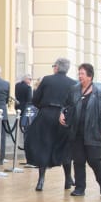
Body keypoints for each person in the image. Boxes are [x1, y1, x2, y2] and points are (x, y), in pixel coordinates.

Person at [24, 57, 76, 191]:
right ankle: (68, 179)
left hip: (46, 115)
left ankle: (41, 180)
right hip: (63, 117)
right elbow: (74, 104)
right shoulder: (73, 83)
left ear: (56, 67)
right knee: (64, 147)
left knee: (43, 146)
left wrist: (44, 107)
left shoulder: (47, 79)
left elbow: (35, 99)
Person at [60, 63, 101, 196]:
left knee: (94, 160)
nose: (79, 76)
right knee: (78, 160)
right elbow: (65, 105)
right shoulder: (74, 90)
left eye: (82, 74)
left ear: (90, 76)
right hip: (76, 132)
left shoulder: (100, 93)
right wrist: (62, 113)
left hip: (93, 132)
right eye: (79, 73)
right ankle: (80, 188)